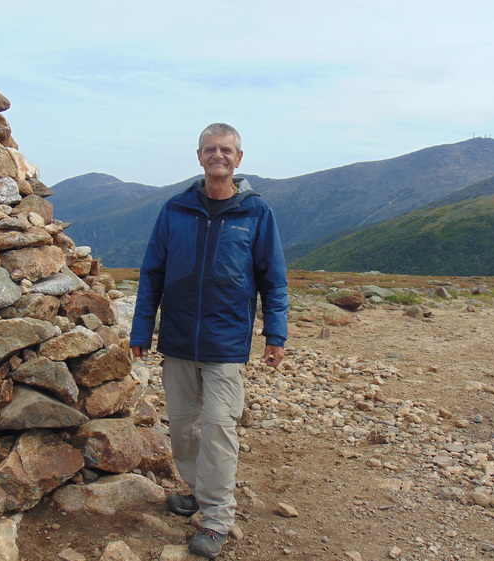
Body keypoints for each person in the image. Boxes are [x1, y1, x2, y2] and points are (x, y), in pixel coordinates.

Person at [130, 123, 289, 558]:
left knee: (219, 429)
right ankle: (200, 492)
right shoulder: (175, 210)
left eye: (226, 150)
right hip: (178, 339)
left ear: (239, 158)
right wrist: (142, 328)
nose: (218, 155)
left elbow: (273, 280)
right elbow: (153, 273)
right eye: (210, 149)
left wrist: (275, 334)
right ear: (198, 156)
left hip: (225, 344)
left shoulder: (256, 213)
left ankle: (216, 519)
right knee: (183, 431)